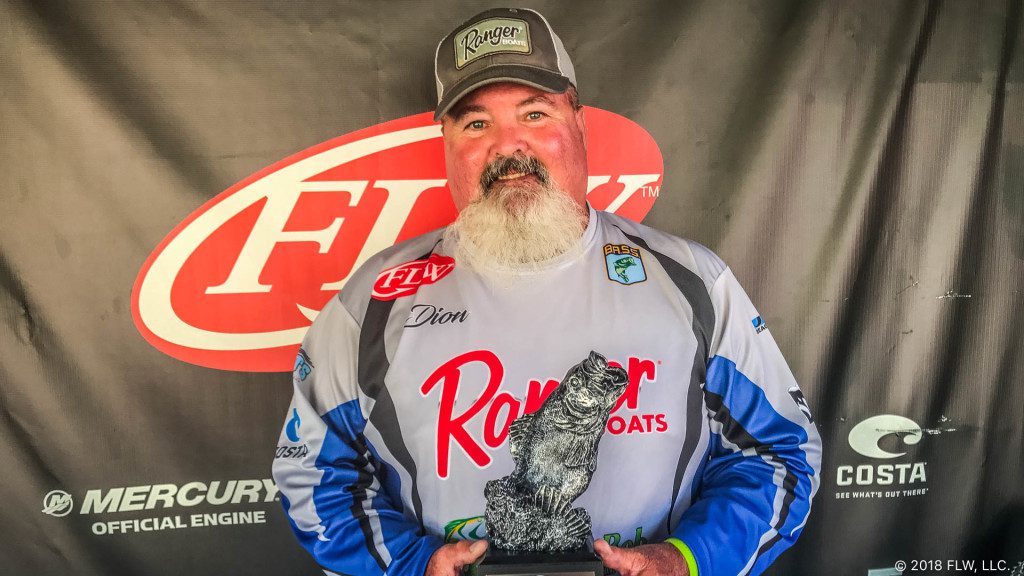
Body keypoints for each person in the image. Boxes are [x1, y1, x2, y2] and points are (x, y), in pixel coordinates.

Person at [272, 7, 822, 576]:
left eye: (534, 114)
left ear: (579, 123)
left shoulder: (691, 282)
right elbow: (312, 472)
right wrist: (414, 566)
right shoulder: (375, 301)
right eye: (476, 124)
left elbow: (780, 455)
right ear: (446, 143)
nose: (508, 146)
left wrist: (686, 561)